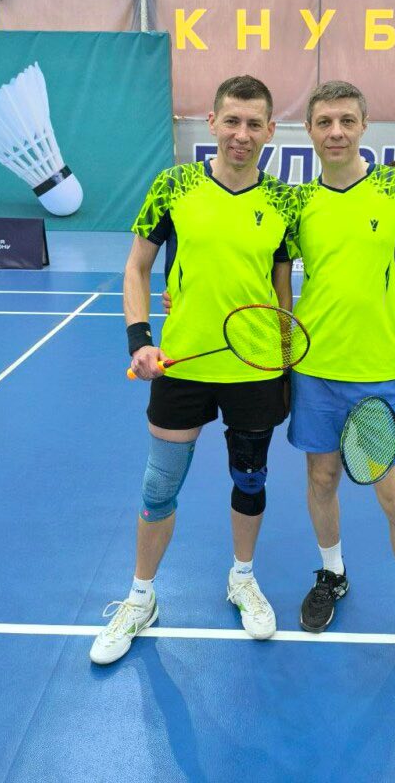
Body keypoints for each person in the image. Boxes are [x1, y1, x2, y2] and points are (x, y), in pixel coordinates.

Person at [90, 75, 297, 664]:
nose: (241, 134)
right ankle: (140, 597)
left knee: (250, 480)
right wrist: (139, 340)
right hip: (181, 365)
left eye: (254, 123)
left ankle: (242, 578)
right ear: (211, 123)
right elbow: (137, 267)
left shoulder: (282, 201)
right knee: (159, 486)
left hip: (254, 369)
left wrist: (285, 362)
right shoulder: (173, 186)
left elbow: (282, 289)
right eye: (231, 120)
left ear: (270, 130)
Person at [287, 81, 395, 689]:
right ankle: (332, 574)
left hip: (380, 372)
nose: (335, 131)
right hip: (314, 371)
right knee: (321, 479)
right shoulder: (297, 202)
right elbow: (269, 272)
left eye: (346, 120)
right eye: (324, 121)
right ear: (309, 131)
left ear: (364, 125)